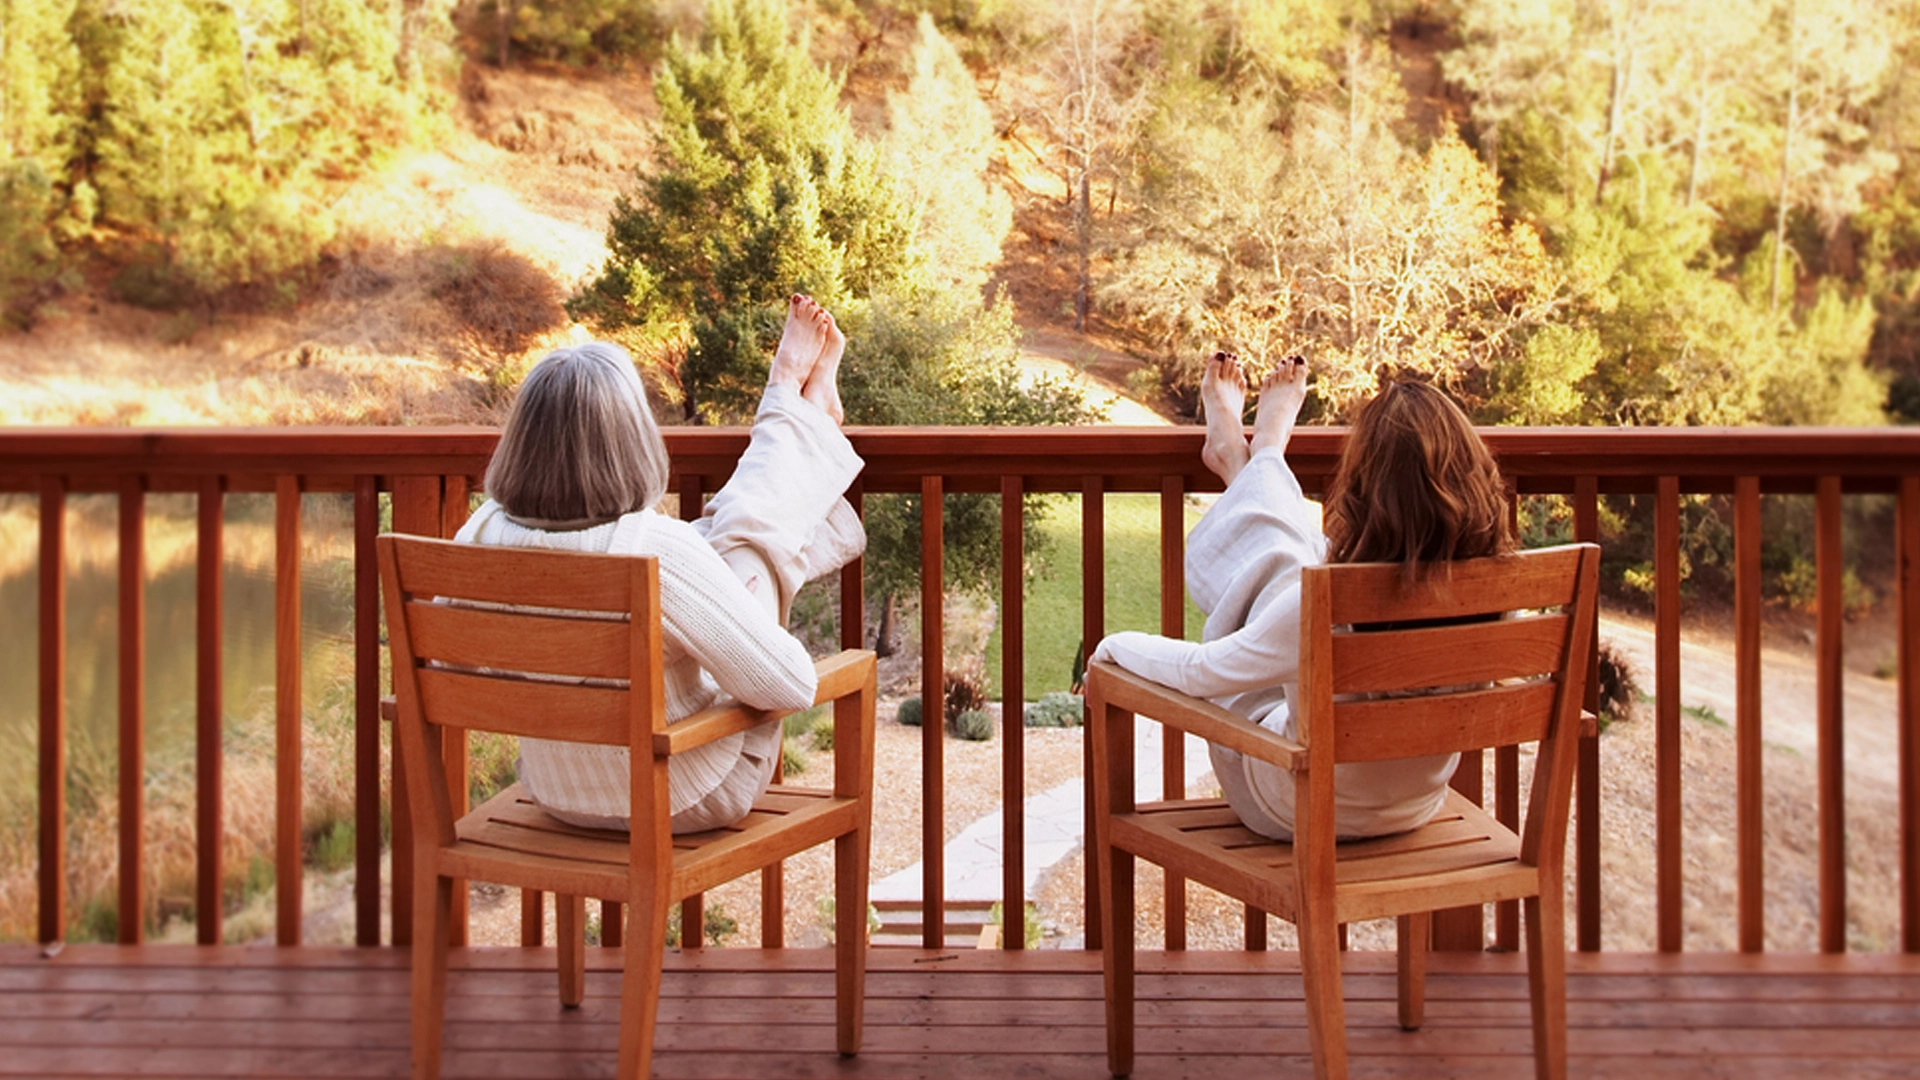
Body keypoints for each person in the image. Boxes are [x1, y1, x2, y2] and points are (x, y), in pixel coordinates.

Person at [455, 294, 864, 834]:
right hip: (684, 793)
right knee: (751, 549)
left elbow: (457, 665)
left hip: (553, 789)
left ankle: (796, 415)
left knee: (729, 545)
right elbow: (787, 686)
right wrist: (743, 602)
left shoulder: (478, 536)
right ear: (629, 441)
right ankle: (794, 412)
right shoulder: (658, 552)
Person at [1091, 353, 1513, 840]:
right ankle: (1254, 459)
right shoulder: (1497, 594)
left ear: (1363, 489)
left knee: (1288, 571)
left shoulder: (1325, 603)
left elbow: (1202, 672)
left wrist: (1113, 647)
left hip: (1292, 804)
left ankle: (1248, 459)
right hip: (1414, 805)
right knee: (1297, 569)